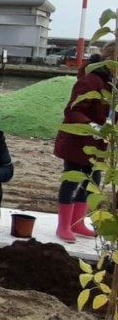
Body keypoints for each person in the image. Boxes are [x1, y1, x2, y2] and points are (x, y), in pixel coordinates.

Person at [52, 44, 114, 241]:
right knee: (72, 180)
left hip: (100, 144)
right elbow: (72, 110)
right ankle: (63, 226)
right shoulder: (91, 80)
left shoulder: (113, 83)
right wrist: (92, 127)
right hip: (78, 141)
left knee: (93, 182)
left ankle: (77, 223)